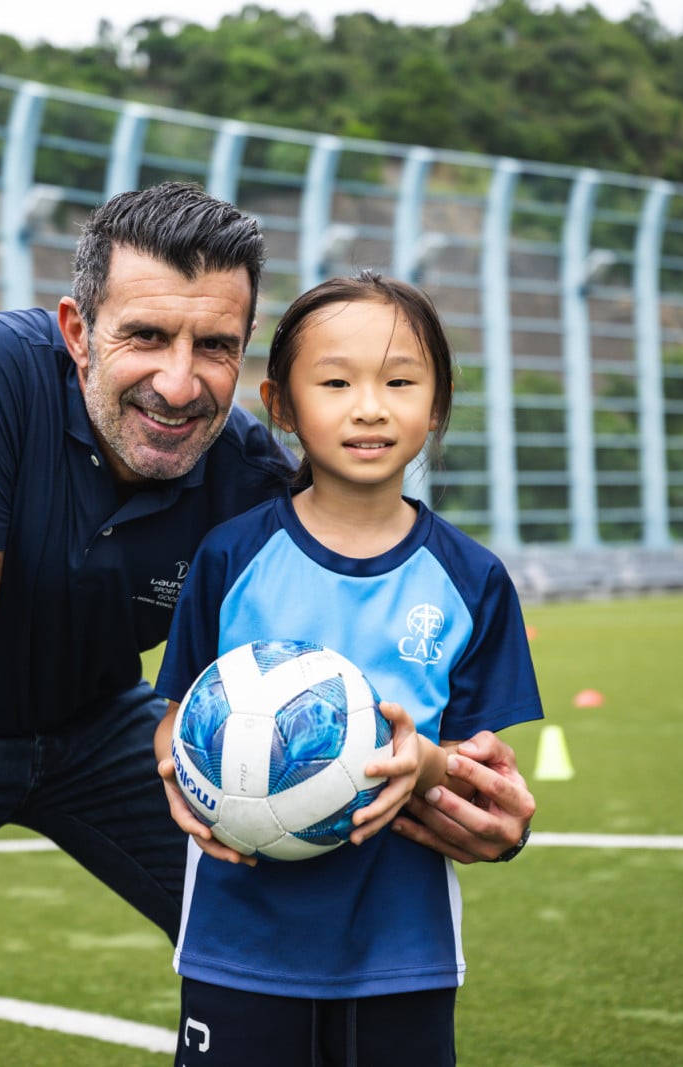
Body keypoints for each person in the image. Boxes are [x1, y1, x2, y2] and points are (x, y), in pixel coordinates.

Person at [0, 184, 536, 1067]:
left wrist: (476, 800)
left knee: (285, 908)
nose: (179, 383)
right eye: (145, 336)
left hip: (102, 726)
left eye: (214, 346)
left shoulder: (253, 481)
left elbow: (358, 649)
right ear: (77, 330)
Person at [152, 272, 544, 1066]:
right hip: (240, 942)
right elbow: (176, 708)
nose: (370, 406)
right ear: (282, 405)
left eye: (400, 382)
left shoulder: (471, 580)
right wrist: (177, 760)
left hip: (400, 952)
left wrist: (429, 763)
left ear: (435, 405)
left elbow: (483, 775)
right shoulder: (232, 558)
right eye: (336, 382)